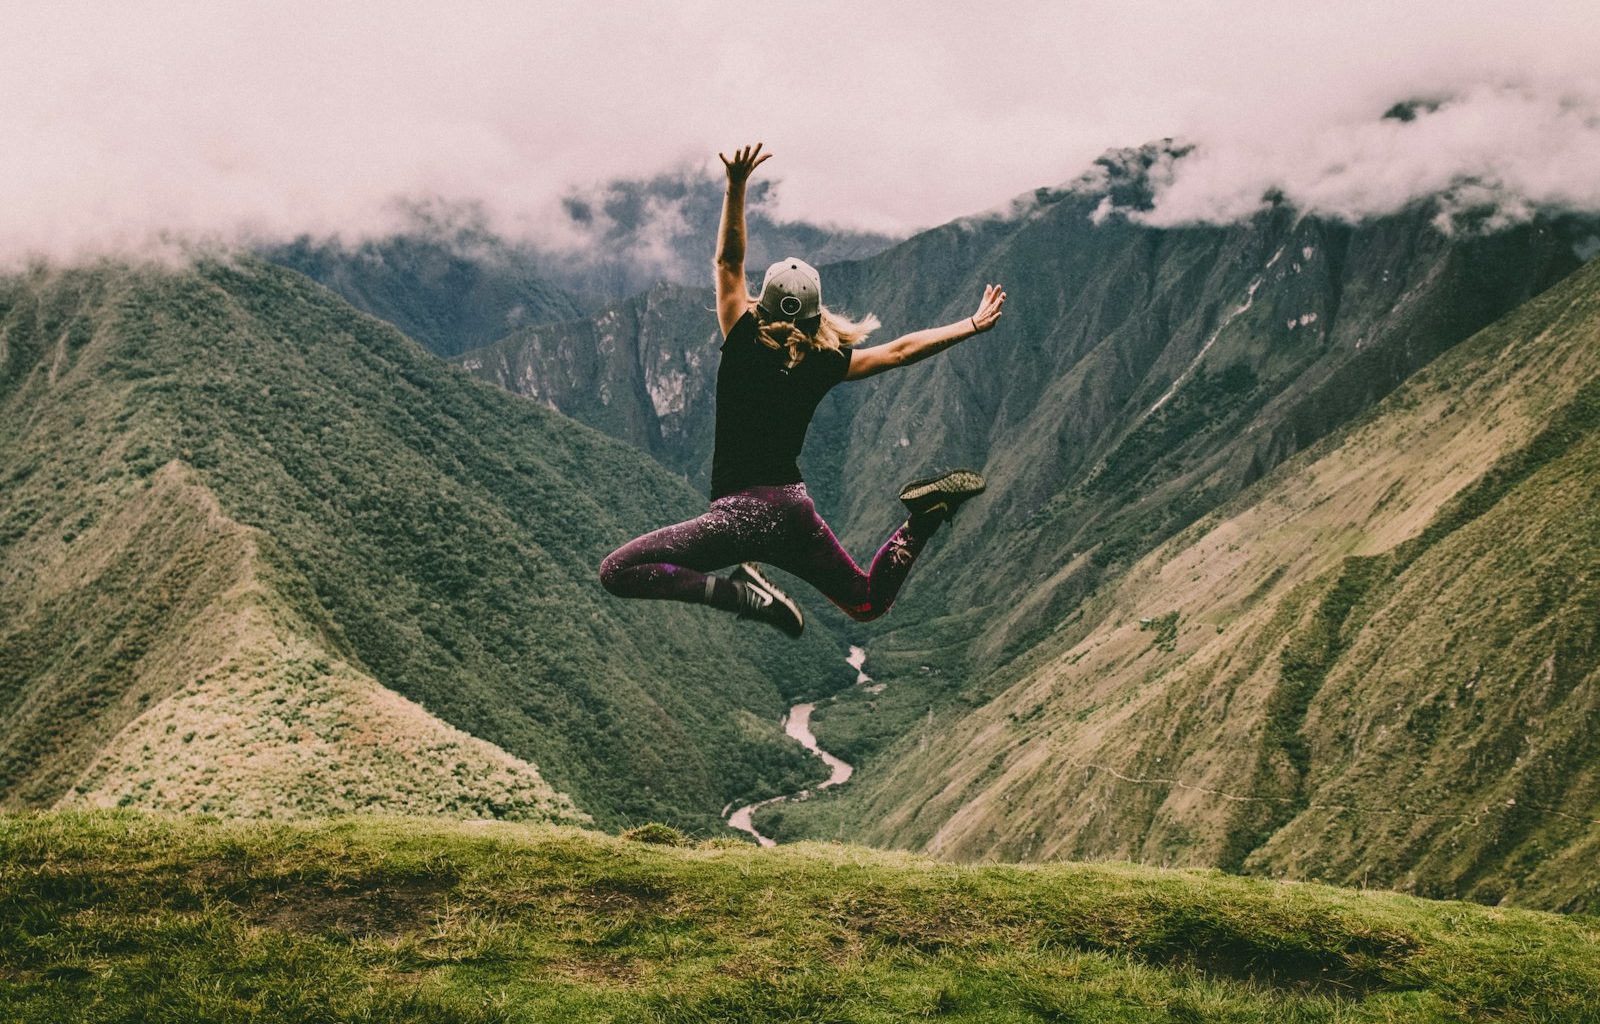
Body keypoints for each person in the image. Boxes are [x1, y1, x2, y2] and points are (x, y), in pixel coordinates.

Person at [599, 142, 1006, 637]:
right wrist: (970, 324)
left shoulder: (743, 336)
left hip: (739, 517)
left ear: (762, 304)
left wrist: (736, 184)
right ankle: (921, 520)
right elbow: (900, 351)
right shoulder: (824, 360)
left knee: (617, 572)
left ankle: (740, 595)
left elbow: (729, 262)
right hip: (794, 512)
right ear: (817, 314)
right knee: (866, 602)